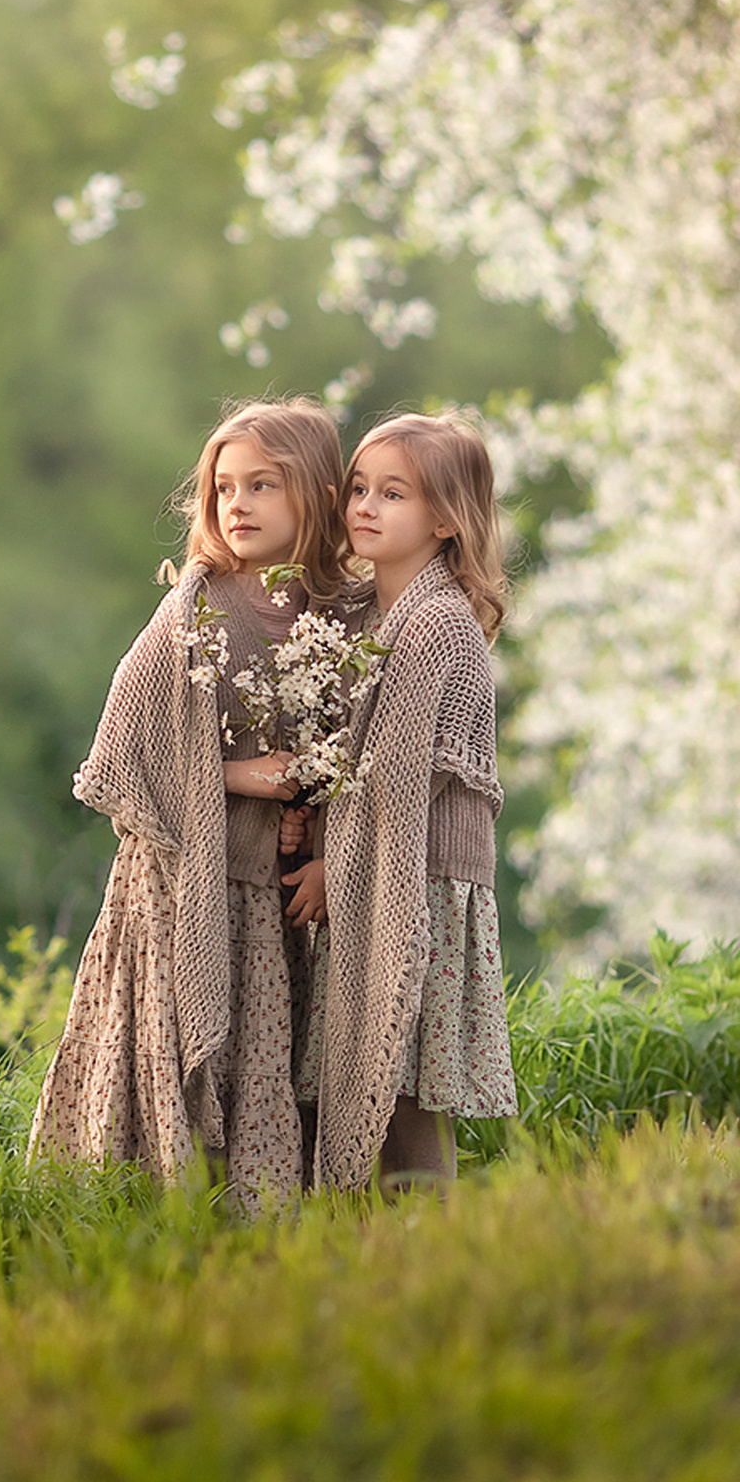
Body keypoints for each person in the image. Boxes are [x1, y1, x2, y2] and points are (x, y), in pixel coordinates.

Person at [27, 395, 353, 1209]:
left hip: (267, 895)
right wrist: (244, 778)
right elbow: (121, 751)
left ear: (313, 494)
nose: (235, 505)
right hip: (178, 882)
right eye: (222, 489)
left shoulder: (334, 617)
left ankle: (254, 1212)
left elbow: (347, 748)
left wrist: (310, 817)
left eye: (262, 486)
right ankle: (137, 1203)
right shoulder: (198, 610)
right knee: (168, 1040)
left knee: (260, 1046)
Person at [294, 411, 518, 1191]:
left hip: (414, 879)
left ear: (447, 520)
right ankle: (363, 1254)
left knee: (402, 1079)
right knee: (359, 1066)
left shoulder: (436, 625)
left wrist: (328, 863)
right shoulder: (361, 614)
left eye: (393, 494)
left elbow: (390, 784)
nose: (364, 506)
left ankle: (426, 1252)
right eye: (359, 488)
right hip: (377, 867)